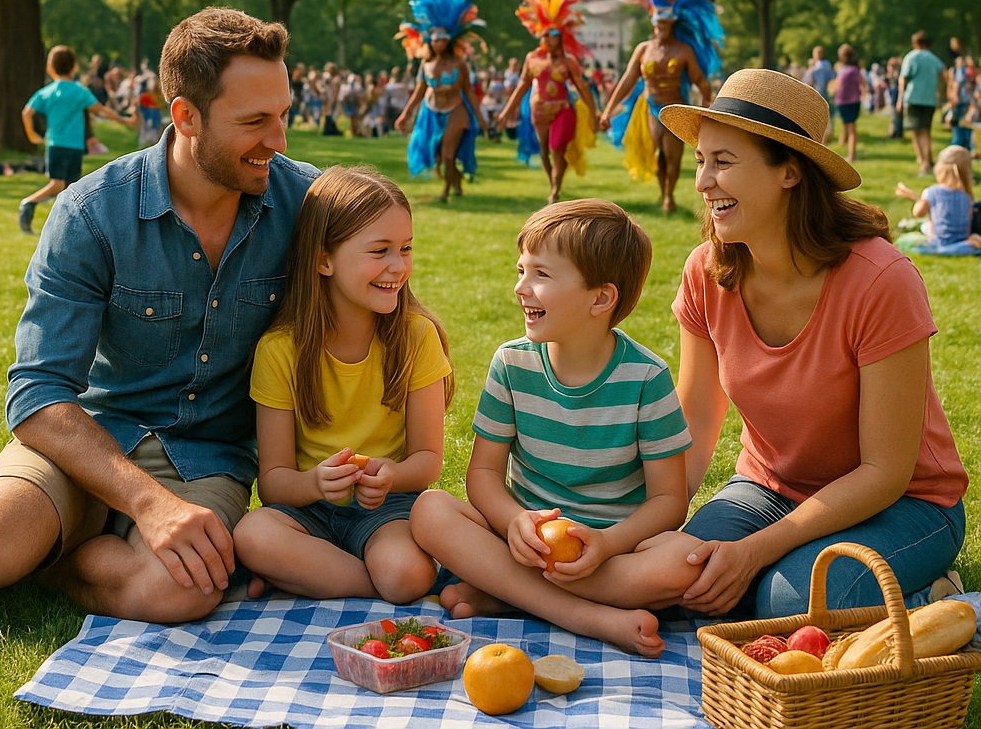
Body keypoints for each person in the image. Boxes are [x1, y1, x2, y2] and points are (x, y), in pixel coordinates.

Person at [0, 7, 319, 623]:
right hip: (89, 441)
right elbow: (37, 391)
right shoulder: (92, 211)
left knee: (181, 592)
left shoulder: (305, 203)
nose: (279, 141)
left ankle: (58, 562)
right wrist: (146, 504)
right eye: (255, 121)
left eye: (283, 115)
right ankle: (30, 535)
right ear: (185, 116)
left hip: (208, 458)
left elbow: (380, 284)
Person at [622, 68, 967, 621]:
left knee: (791, 601)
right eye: (701, 162)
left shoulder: (880, 280)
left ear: (789, 171)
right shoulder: (707, 273)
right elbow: (693, 431)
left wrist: (756, 550)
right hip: (769, 488)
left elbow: (885, 471)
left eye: (723, 162)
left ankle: (933, 594)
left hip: (907, 504)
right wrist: (635, 533)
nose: (703, 182)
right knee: (685, 581)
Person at [410, 199, 693, 656]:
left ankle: (508, 594)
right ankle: (587, 617)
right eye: (521, 270)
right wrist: (513, 521)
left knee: (683, 562)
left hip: (610, 553)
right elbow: (482, 476)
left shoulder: (646, 377)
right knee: (429, 510)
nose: (521, 287)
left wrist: (606, 543)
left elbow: (669, 501)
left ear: (600, 298)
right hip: (522, 545)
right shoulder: (511, 362)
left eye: (541, 275)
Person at [233, 166, 453, 604]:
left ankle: (312, 577)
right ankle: (362, 582)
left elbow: (428, 461)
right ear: (323, 259)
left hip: (387, 509)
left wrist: (393, 475)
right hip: (307, 511)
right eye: (380, 250)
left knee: (406, 573)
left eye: (406, 248)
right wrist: (316, 484)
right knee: (252, 534)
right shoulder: (280, 349)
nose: (398, 265)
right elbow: (274, 481)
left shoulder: (416, 338)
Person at [599, 0, 721, 212]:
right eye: (657, 24)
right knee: (657, 155)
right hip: (649, 108)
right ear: (652, 22)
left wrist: (705, 106)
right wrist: (609, 110)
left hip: (675, 109)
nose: (660, 28)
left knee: (673, 156)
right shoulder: (644, 49)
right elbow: (627, 81)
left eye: (665, 25)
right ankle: (663, 189)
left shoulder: (684, 51)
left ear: (673, 23)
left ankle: (669, 195)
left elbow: (701, 81)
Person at [498, 0, 598, 205]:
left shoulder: (568, 61)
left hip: (563, 109)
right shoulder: (532, 58)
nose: (550, 39)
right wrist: (506, 111)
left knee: (556, 148)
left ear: (561, 37)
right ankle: (552, 180)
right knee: (544, 150)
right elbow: (522, 85)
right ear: (540, 35)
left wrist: (595, 112)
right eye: (546, 35)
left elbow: (582, 87)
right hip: (538, 110)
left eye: (554, 35)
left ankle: (556, 188)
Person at [18, 45, 135, 234]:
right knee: (59, 185)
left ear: (50, 68)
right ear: (74, 67)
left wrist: (31, 134)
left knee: (70, 188)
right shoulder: (79, 91)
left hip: (56, 144)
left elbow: (27, 112)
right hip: (72, 146)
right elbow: (102, 111)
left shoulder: (48, 91)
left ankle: (67, 228)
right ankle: (28, 202)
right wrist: (125, 120)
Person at [395, 0, 488, 202]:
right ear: (430, 41)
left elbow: (468, 91)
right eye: (435, 39)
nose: (438, 43)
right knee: (438, 156)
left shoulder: (459, 64)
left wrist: (480, 117)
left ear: (450, 40)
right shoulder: (425, 65)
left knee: (448, 154)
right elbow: (418, 92)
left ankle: (445, 192)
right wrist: (405, 114)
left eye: (442, 39)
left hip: (456, 110)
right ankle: (456, 183)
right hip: (431, 111)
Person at [895, 145, 981, 256]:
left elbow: (917, 213)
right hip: (961, 240)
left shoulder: (932, 191)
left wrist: (915, 198)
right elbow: (968, 221)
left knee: (921, 228)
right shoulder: (966, 195)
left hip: (938, 241)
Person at [897, 30, 946, 175]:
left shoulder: (911, 57)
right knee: (926, 130)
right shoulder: (934, 59)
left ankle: (923, 161)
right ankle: (927, 159)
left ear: (915, 43)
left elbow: (903, 79)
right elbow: (943, 76)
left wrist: (899, 99)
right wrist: (940, 92)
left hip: (913, 97)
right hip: (930, 99)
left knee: (915, 129)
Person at [833, 43, 864, 164]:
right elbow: (862, 83)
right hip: (853, 101)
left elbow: (838, 86)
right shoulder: (855, 70)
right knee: (850, 127)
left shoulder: (844, 70)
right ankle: (848, 150)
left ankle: (851, 154)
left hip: (843, 102)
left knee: (850, 128)